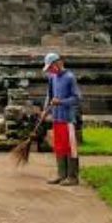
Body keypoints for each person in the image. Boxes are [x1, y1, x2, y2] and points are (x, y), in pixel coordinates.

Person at [42, 52, 82, 186]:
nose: (50, 70)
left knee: (70, 147)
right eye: (49, 68)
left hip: (68, 119)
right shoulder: (52, 78)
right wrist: (45, 110)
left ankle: (72, 176)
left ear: (59, 63)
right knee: (59, 146)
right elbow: (50, 95)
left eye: (51, 67)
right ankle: (61, 174)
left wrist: (61, 102)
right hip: (56, 117)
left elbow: (76, 98)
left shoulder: (70, 77)